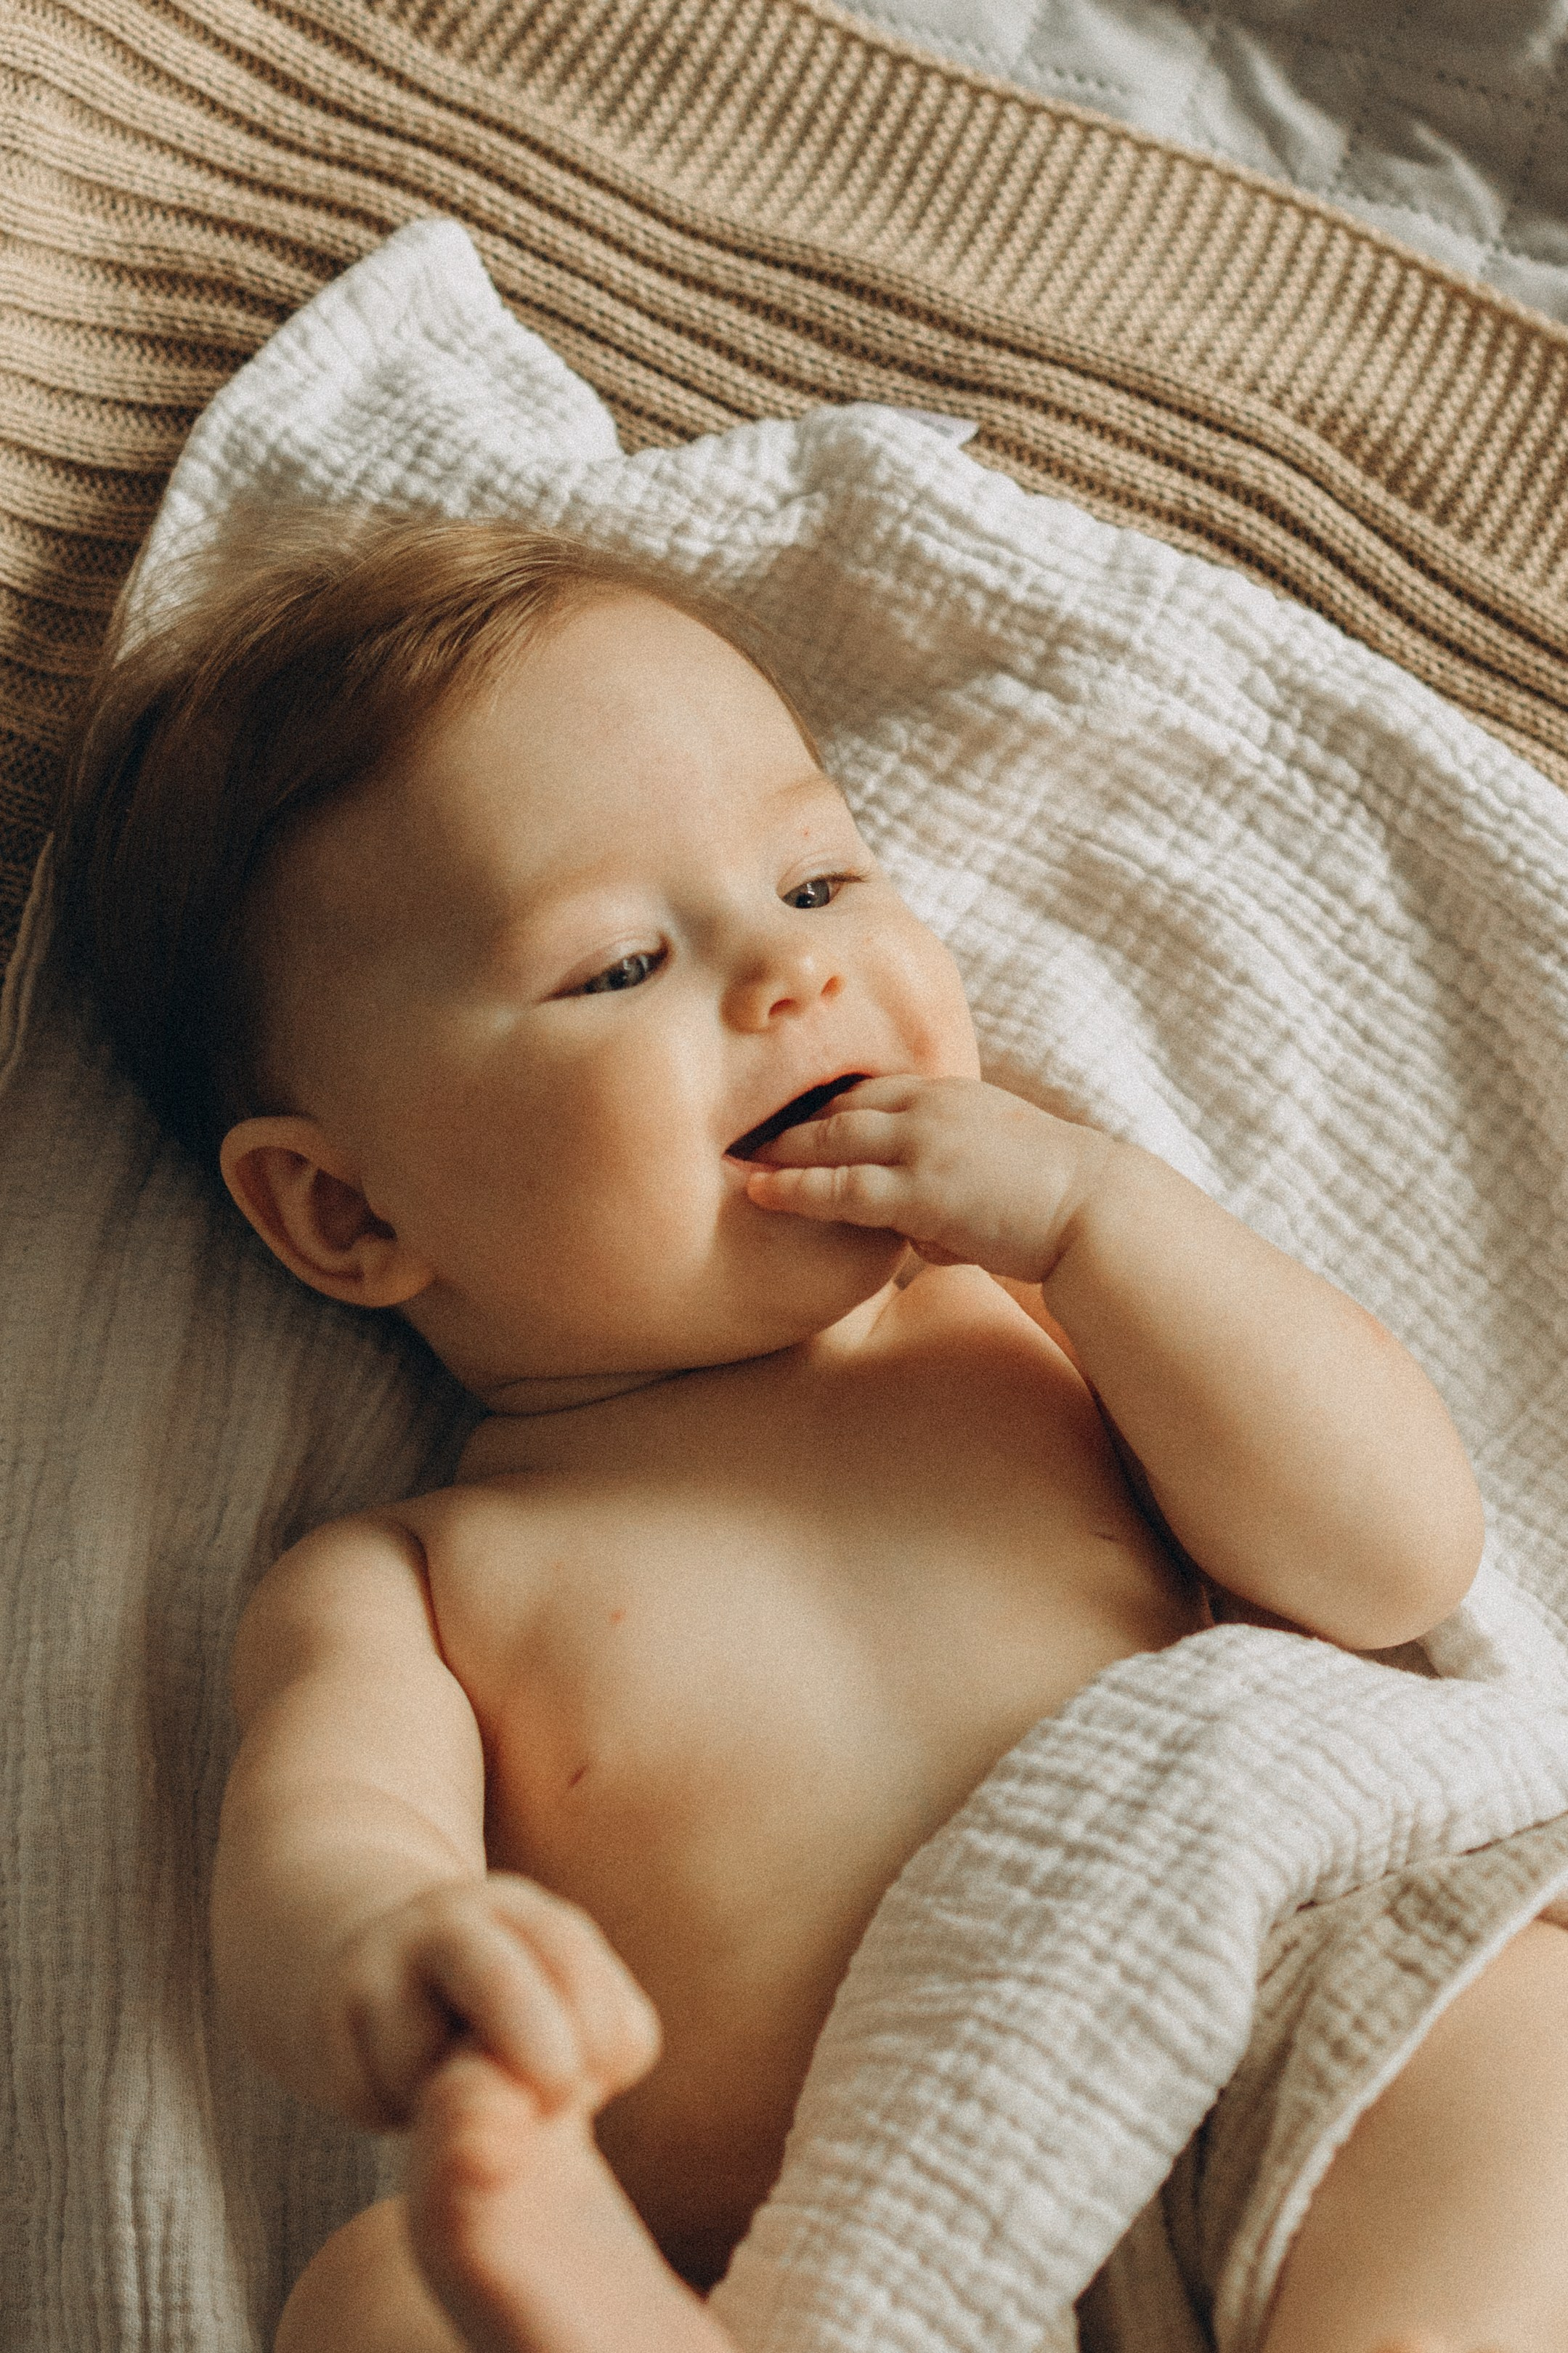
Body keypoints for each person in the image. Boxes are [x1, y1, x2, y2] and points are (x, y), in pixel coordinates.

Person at [54, 506, 1568, 2353]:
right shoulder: (414, 1583)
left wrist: (1102, 1222)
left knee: (1510, 2019)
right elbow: (326, 1840)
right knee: (380, 2298)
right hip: (834, 2255)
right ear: (350, 1215)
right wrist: (392, 1956)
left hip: (1267, 2040)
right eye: (617, 968)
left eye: (821, 880)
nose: (792, 979)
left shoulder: (1022, 1321)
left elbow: (1392, 1556)